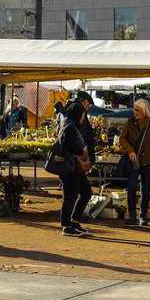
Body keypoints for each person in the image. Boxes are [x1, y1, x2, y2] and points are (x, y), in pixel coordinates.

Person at [118, 98, 150, 227]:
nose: (134, 112)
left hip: (148, 160)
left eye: (137, 110)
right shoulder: (130, 123)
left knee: (145, 189)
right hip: (134, 160)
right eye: (134, 109)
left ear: (144, 111)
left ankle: (143, 216)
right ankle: (132, 216)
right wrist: (130, 150)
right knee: (131, 188)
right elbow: (122, 139)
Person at [56, 99, 93, 236]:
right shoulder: (70, 126)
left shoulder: (70, 123)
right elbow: (75, 147)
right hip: (69, 166)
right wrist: (83, 149)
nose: (84, 117)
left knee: (86, 192)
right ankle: (66, 226)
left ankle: (74, 221)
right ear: (78, 113)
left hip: (74, 166)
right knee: (70, 196)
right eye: (83, 114)